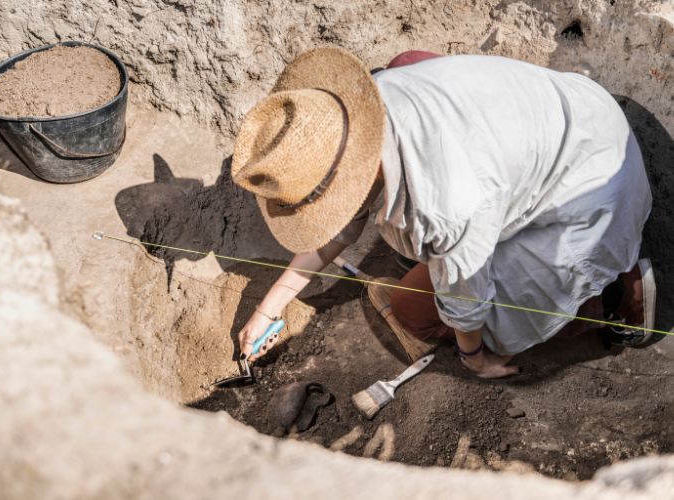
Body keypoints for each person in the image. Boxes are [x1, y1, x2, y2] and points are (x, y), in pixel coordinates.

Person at [230, 47, 655, 379]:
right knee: (409, 62)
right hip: (573, 113)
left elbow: (465, 301)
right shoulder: (374, 99)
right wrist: (269, 308)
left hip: (592, 196)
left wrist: (476, 360)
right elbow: (341, 227)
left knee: (414, 312)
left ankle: (614, 295)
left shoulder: (445, 205)